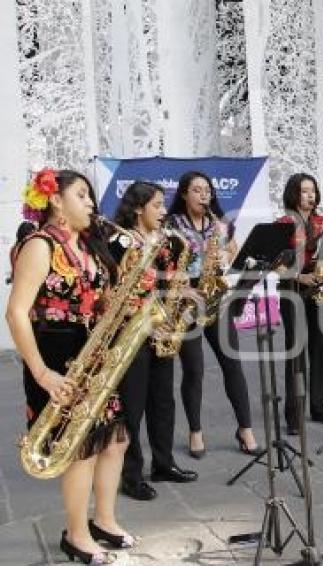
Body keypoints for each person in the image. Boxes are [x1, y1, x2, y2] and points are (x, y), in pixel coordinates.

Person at [6, 168, 133, 564]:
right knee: (81, 448)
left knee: (114, 439)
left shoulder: (88, 247)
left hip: (92, 354)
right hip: (55, 357)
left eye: (91, 196)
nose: (92, 204)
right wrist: (42, 374)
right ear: (55, 200)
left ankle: (104, 521)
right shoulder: (40, 245)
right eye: (82, 195)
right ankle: (77, 536)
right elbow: (16, 313)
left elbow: (99, 302)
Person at [108, 181, 197, 501]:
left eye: (163, 205)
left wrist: (181, 290)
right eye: (157, 205)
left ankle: (163, 463)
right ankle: (130, 476)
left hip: (162, 330)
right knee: (131, 407)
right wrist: (147, 322)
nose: (163, 211)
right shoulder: (119, 241)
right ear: (137, 208)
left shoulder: (163, 241)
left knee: (163, 401)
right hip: (132, 333)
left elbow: (167, 280)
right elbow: (115, 293)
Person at [166, 171, 260, 458]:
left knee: (233, 365)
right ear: (184, 194)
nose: (203, 194)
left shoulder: (221, 225)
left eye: (207, 190)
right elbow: (163, 263)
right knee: (194, 369)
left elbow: (234, 252)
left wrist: (225, 257)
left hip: (216, 297)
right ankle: (195, 431)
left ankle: (245, 429)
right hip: (187, 300)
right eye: (196, 190)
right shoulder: (171, 225)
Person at [276, 173, 323, 435]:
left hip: (320, 288)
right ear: (293, 194)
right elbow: (275, 264)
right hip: (293, 289)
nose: (309, 196)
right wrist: (300, 276)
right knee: (296, 351)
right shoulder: (284, 223)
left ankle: (318, 405)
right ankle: (294, 413)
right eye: (303, 191)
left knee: (319, 348)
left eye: (312, 191)